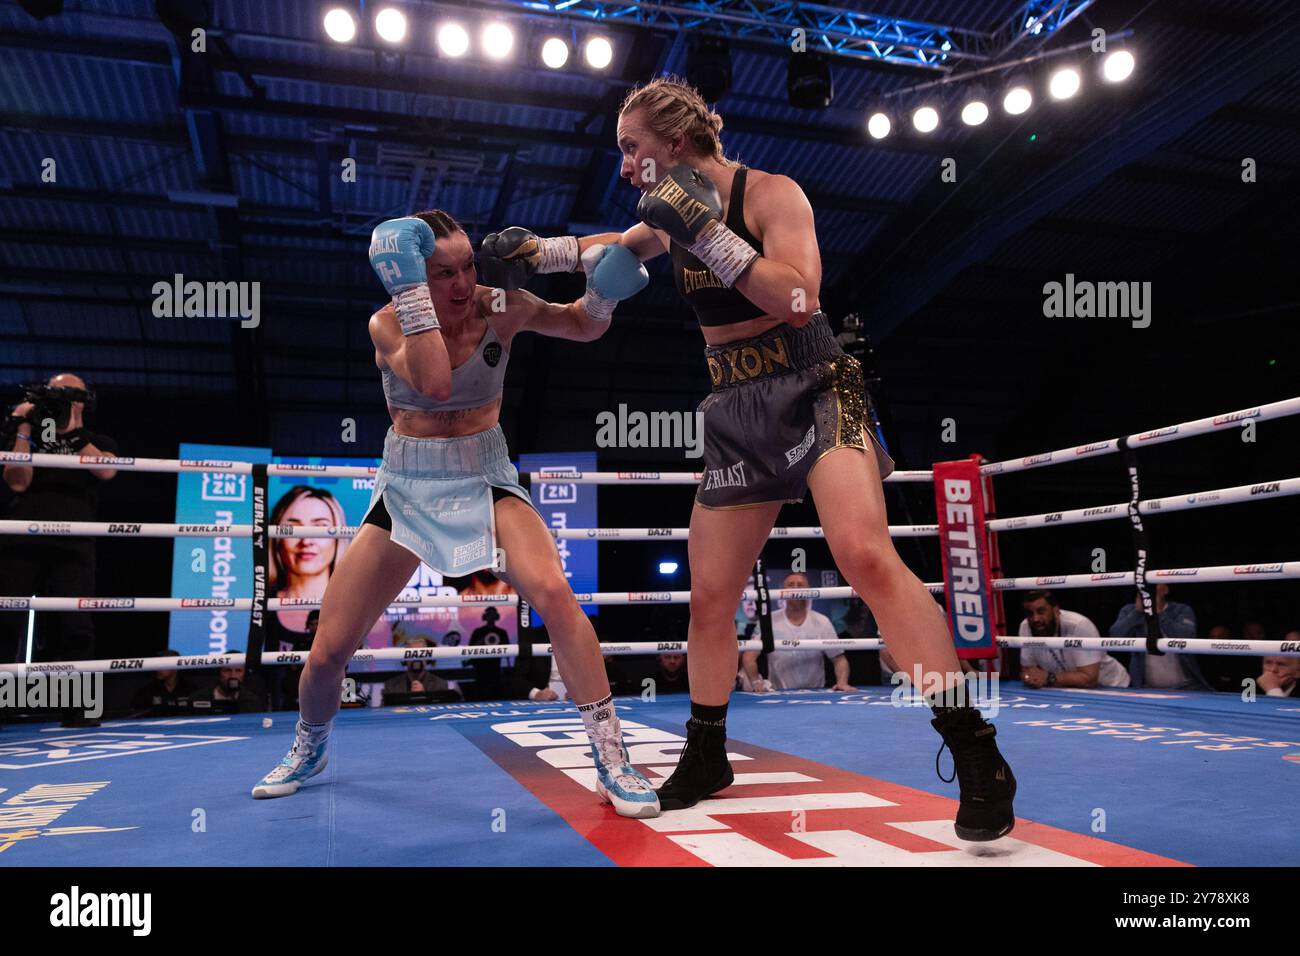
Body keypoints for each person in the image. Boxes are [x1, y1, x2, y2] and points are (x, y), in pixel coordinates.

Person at [482, 78, 1016, 840]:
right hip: (736, 403)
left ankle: (976, 752)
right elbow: (614, 248)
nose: (627, 165)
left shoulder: (772, 194)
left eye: (632, 147)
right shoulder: (664, 214)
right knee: (710, 594)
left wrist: (705, 230)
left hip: (826, 379)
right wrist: (540, 250)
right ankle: (707, 755)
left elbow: (799, 295)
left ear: (673, 139)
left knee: (864, 554)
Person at [251, 209, 660, 818]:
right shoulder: (388, 322)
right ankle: (309, 747)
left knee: (552, 592)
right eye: (442, 273)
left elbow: (580, 325)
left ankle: (611, 756)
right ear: (412, 274)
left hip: (486, 472)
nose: (464, 284)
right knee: (329, 650)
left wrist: (595, 286)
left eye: (468, 265)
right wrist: (413, 293)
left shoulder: (502, 304)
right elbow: (436, 384)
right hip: (409, 484)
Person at [1, 375, 118, 673]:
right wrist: (24, 427)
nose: (61, 399)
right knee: (6, 620)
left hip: (74, 543)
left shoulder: (100, 441)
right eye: (55, 393)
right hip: (23, 539)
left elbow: (106, 472)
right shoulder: (30, 439)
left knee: (74, 624)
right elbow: (17, 483)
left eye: (69, 394)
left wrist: (72, 432)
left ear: (83, 401)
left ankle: (76, 707)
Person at [739, 573, 854, 691]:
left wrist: (842, 682)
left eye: (800, 585)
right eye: (791, 585)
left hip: (815, 694)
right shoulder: (769, 620)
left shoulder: (822, 621)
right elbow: (749, 656)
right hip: (779, 693)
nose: (795, 589)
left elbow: (838, 658)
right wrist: (756, 682)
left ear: (809, 591)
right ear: (782, 591)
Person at [1019, 590, 1129, 689]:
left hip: (1110, 686)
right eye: (1029, 613)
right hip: (1066, 688)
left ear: (1056, 610)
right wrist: (1029, 677)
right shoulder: (1026, 626)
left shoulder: (1079, 625)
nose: (1035, 619)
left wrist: (1049, 678)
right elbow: (1028, 671)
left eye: (1041, 611)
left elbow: (1089, 679)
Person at [1108, 585, 1209, 690]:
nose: (1149, 589)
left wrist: (1159, 613)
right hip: (1147, 689)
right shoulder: (1130, 610)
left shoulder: (1181, 610)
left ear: (1165, 589)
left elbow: (1187, 636)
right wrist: (1137, 613)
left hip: (1186, 688)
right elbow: (1115, 636)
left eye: (1153, 585)